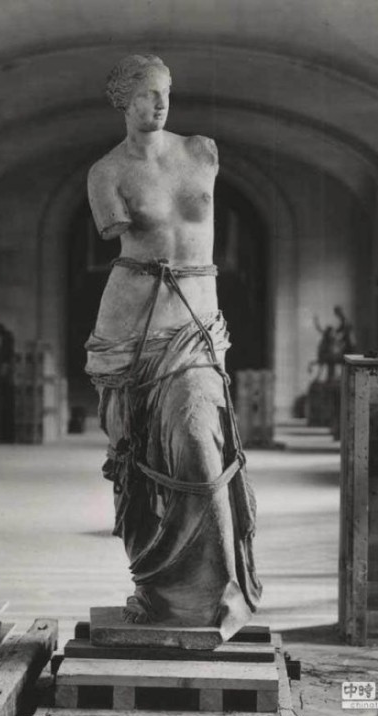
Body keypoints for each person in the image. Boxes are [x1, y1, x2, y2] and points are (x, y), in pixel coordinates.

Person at [85, 54, 261, 638]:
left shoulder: (202, 152)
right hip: (133, 325)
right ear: (123, 102)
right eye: (145, 95)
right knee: (138, 456)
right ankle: (160, 590)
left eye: (164, 93)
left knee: (196, 441)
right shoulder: (107, 173)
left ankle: (211, 594)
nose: (158, 104)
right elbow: (119, 239)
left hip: (197, 326)